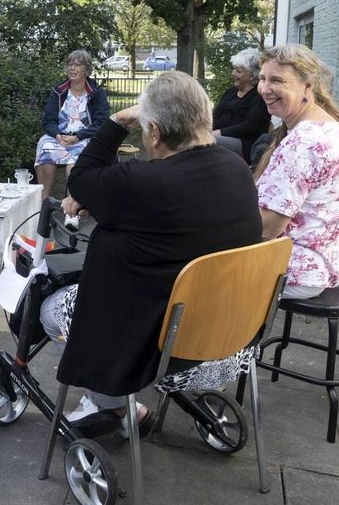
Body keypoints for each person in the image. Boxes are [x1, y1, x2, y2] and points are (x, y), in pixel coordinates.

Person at [39, 71, 262, 434]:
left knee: (51, 310)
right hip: (230, 339)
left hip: (160, 349)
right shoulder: (237, 170)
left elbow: (79, 179)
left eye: (144, 130)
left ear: (155, 133)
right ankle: (114, 407)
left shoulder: (142, 182)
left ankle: (115, 407)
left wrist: (116, 121)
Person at [255, 45, 339, 300]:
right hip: (318, 266)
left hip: (293, 270)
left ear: (308, 87)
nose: (265, 89)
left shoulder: (304, 141)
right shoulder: (328, 125)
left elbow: (267, 229)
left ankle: (235, 340)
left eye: (277, 80)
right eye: (262, 78)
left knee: (185, 271)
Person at [35, 50, 110, 199]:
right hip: (59, 138)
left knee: (74, 165)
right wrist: (57, 135)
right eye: (70, 64)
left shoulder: (96, 93)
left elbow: (101, 123)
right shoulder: (59, 91)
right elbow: (48, 121)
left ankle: (72, 210)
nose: (72, 68)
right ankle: (43, 205)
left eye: (77, 65)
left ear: (86, 70)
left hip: (85, 138)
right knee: (45, 147)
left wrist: (77, 137)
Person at [212, 47, 270, 163]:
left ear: (252, 75)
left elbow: (249, 126)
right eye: (234, 70)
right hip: (220, 137)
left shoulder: (259, 96)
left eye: (238, 71)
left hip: (245, 144)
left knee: (205, 141)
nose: (233, 73)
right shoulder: (230, 92)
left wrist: (220, 132)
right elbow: (216, 116)